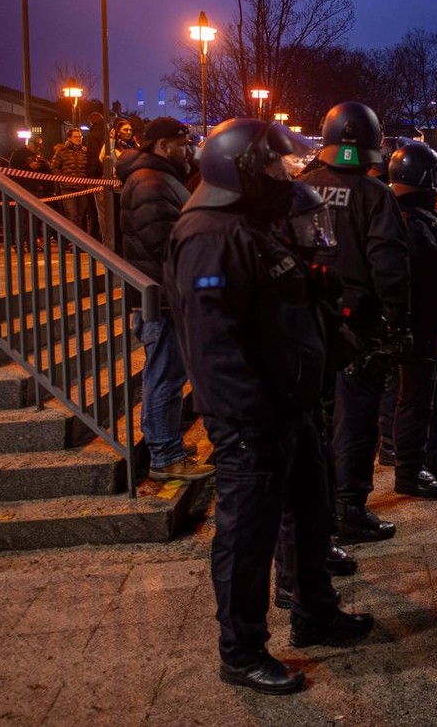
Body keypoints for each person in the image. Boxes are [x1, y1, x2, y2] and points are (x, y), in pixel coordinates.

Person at [166, 118, 372, 695]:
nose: (289, 175)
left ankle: (315, 612)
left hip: (290, 404)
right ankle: (241, 651)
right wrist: (246, 417)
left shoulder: (246, 227)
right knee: (247, 534)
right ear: (242, 172)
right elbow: (213, 342)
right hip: (252, 418)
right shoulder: (209, 233)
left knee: (309, 515)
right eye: (277, 166)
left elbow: (272, 295)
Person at [295, 102, 412, 542]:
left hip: (307, 323)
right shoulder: (374, 194)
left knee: (314, 422)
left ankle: (317, 515)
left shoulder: (301, 188)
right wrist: (398, 319)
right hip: (357, 326)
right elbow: (389, 263)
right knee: (356, 419)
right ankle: (348, 507)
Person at [116, 117, 211, 483]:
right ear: (161, 146)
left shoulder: (158, 177)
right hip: (163, 297)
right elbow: (166, 242)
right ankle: (165, 455)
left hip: (165, 294)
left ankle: (165, 442)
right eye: (181, 143)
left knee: (168, 374)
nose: (188, 150)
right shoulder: (151, 183)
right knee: (165, 376)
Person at [387, 141, 437, 496]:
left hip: (429, 324)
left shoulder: (419, 216)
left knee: (435, 393)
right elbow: (435, 267)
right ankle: (409, 470)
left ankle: (430, 455)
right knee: (416, 398)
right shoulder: (410, 221)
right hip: (417, 324)